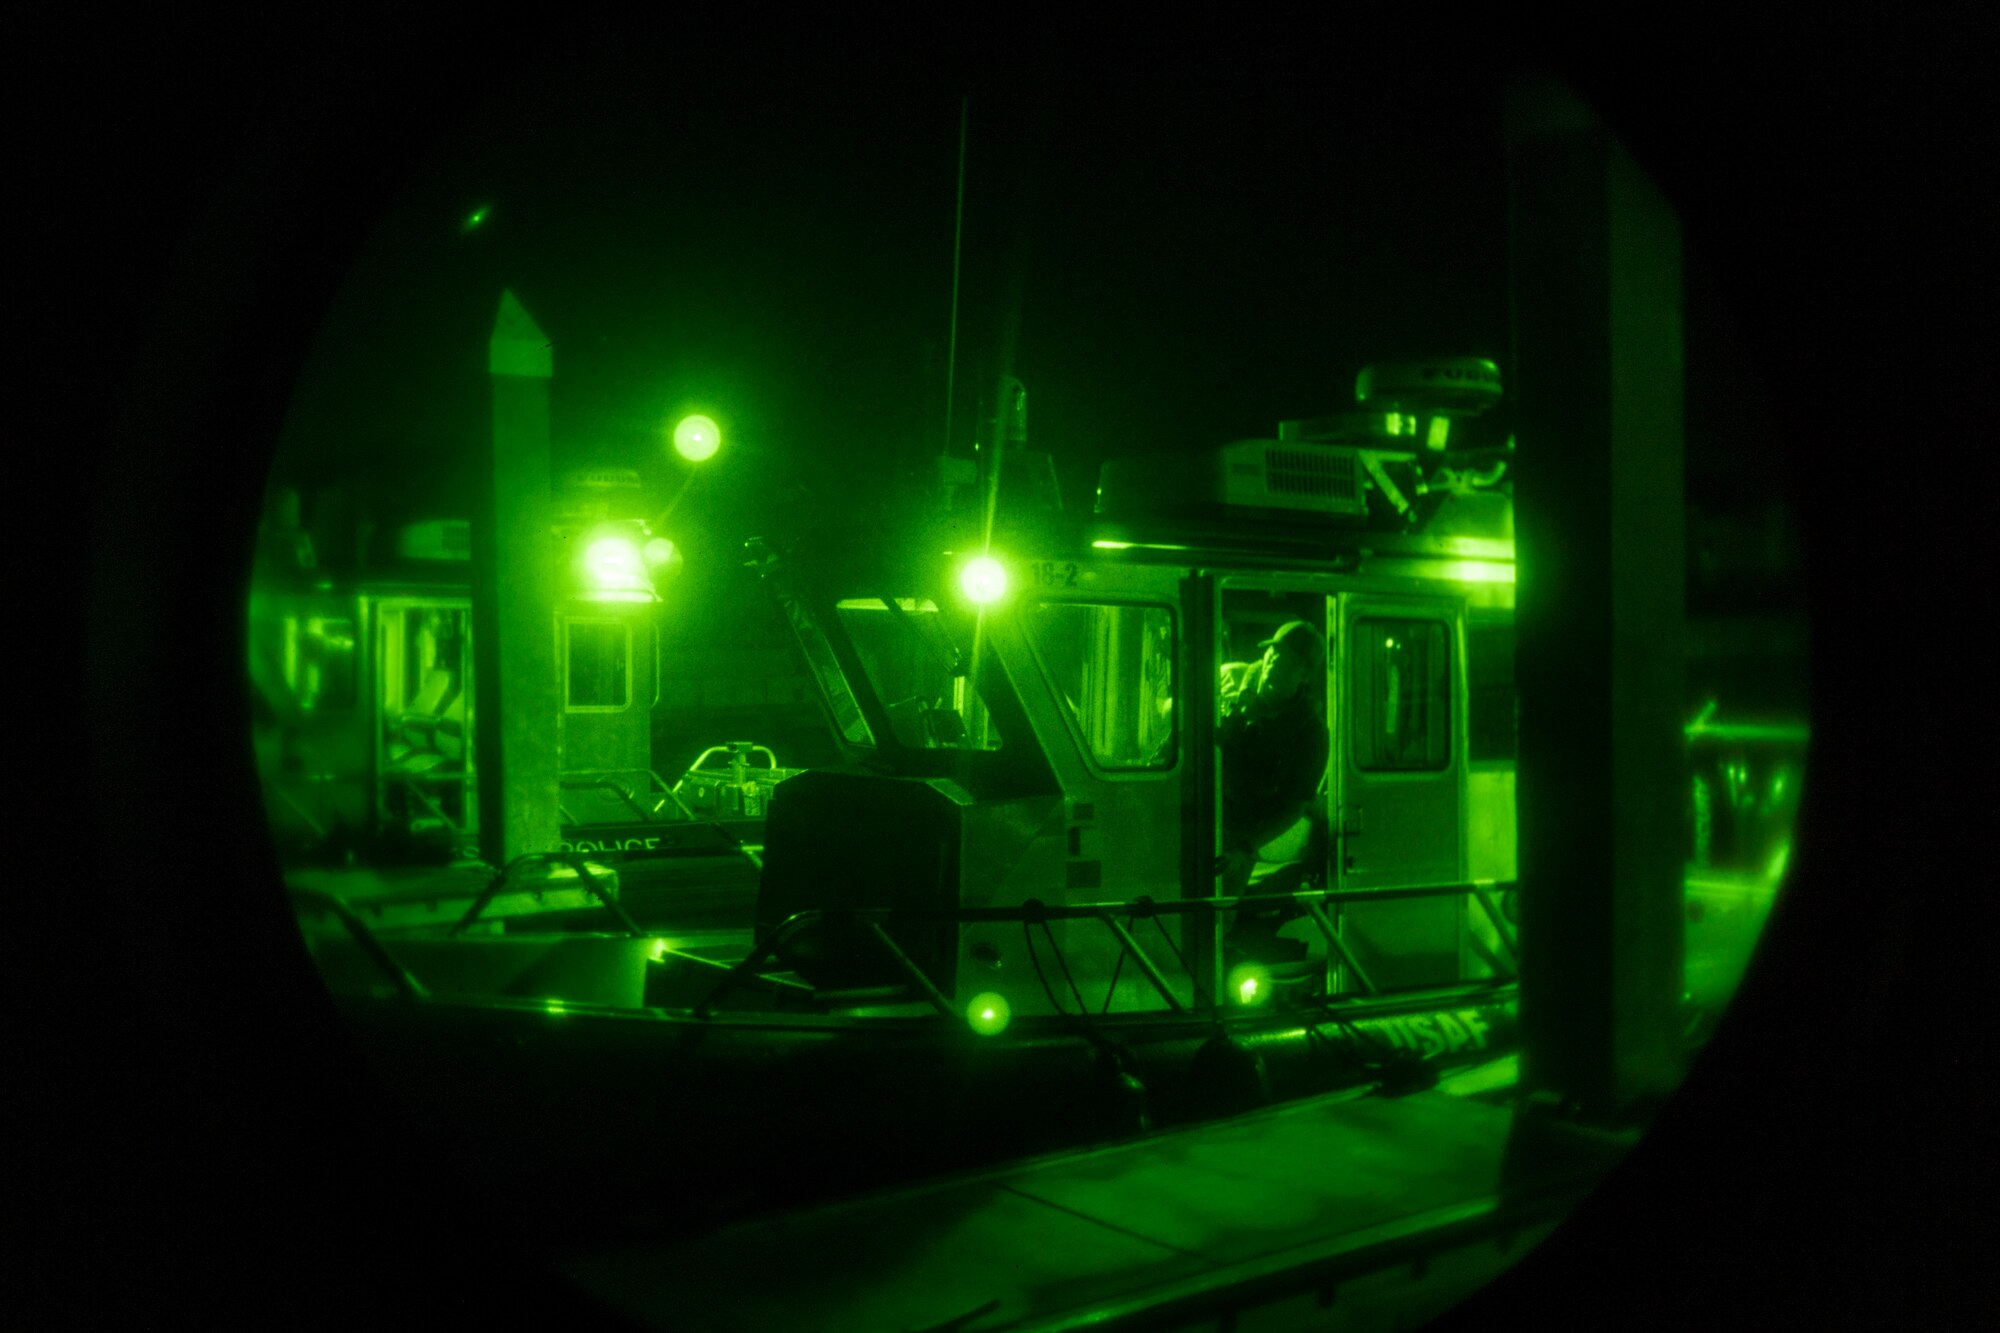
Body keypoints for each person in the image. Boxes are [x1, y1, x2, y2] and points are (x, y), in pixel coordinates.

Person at [1218, 619, 1330, 913]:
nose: (1274, 662)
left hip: (1237, 835)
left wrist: (1244, 850)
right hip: (1192, 814)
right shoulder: (1230, 681)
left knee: (1215, 920)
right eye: (1272, 653)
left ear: (1304, 673)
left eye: (1288, 660)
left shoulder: (1310, 733)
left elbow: (1294, 807)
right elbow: (1170, 708)